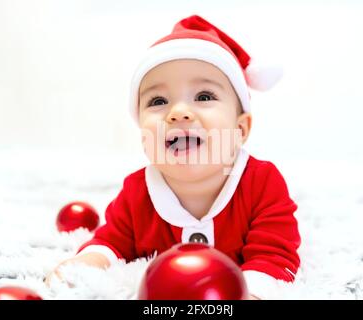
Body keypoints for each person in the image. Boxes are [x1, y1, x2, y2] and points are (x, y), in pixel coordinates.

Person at [46, 15, 301, 300]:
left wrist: (251, 292)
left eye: (204, 96)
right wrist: (87, 264)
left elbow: (275, 255)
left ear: (240, 129)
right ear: (143, 133)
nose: (179, 112)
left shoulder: (262, 183)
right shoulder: (137, 192)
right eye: (158, 102)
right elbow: (112, 241)